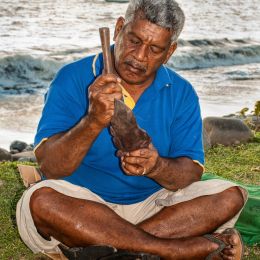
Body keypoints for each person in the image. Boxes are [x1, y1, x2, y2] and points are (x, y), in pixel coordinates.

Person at [16, 0, 247, 259]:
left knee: (230, 196)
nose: (139, 57)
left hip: (155, 207)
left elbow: (191, 172)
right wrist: (92, 121)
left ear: (169, 52)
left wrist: (157, 166)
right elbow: (51, 167)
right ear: (118, 29)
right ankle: (172, 250)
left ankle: (111, 248)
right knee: (41, 202)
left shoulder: (181, 92)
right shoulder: (72, 77)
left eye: (155, 49)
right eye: (134, 41)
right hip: (81, 202)